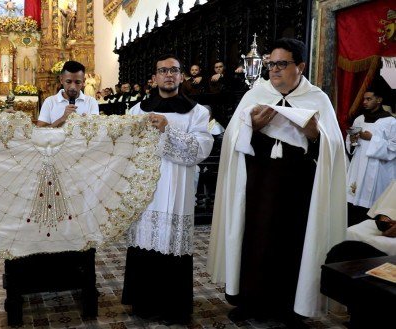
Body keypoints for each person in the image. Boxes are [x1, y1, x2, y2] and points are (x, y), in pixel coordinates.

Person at [207, 38, 347, 325]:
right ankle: (248, 300)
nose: (273, 70)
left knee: (292, 242)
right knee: (253, 239)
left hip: (299, 186)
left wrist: (314, 134)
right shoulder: (256, 94)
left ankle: (290, 308)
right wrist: (253, 127)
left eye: (282, 64)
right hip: (257, 183)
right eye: (271, 64)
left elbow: (334, 149)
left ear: (301, 66)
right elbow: (233, 139)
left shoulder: (317, 98)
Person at [122, 54, 213, 325]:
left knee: (172, 245)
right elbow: (127, 146)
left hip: (177, 189)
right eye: (163, 71)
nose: (169, 75)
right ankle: (143, 304)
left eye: (174, 70)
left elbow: (201, 148)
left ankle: (174, 308)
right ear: (155, 77)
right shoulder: (138, 110)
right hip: (145, 190)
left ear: (181, 76)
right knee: (145, 242)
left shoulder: (197, 111)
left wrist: (168, 130)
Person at [345, 87, 395, 226]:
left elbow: (393, 148)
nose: (365, 102)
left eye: (369, 99)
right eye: (364, 99)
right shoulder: (359, 119)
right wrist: (353, 139)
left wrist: (372, 139)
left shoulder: (391, 122)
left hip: (379, 169)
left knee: (373, 207)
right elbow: (351, 144)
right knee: (354, 207)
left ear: (379, 100)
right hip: (358, 166)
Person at [37, 60, 98, 127]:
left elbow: (95, 130)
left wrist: (84, 123)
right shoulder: (50, 102)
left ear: (83, 82)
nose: (73, 87)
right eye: (68, 82)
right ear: (61, 80)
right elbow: (40, 131)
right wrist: (63, 118)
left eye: (77, 82)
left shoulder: (91, 102)